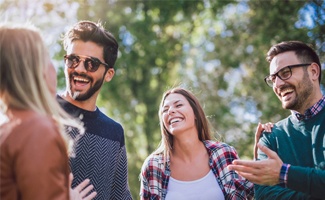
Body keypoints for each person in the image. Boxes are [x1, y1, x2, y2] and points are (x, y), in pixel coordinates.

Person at [0, 23, 88, 199]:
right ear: (35, 71)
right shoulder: (37, 131)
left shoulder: (8, 130)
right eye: (47, 59)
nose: (53, 68)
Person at [228, 41, 325, 199]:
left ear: (313, 71)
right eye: (273, 79)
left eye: (286, 73)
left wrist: (284, 174)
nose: (278, 84)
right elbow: (264, 195)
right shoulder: (270, 136)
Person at [57, 20, 132, 200]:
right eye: (73, 60)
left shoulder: (113, 133)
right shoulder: (37, 112)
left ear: (108, 74)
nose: (79, 69)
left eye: (91, 64)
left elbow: (120, 196)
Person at [139, 87, 254, 199]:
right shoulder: (153, 166)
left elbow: (255, 192)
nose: (171, 111)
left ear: (195, 113)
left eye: (178, 105)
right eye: (165, 110)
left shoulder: (224, 153)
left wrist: (262, 161)